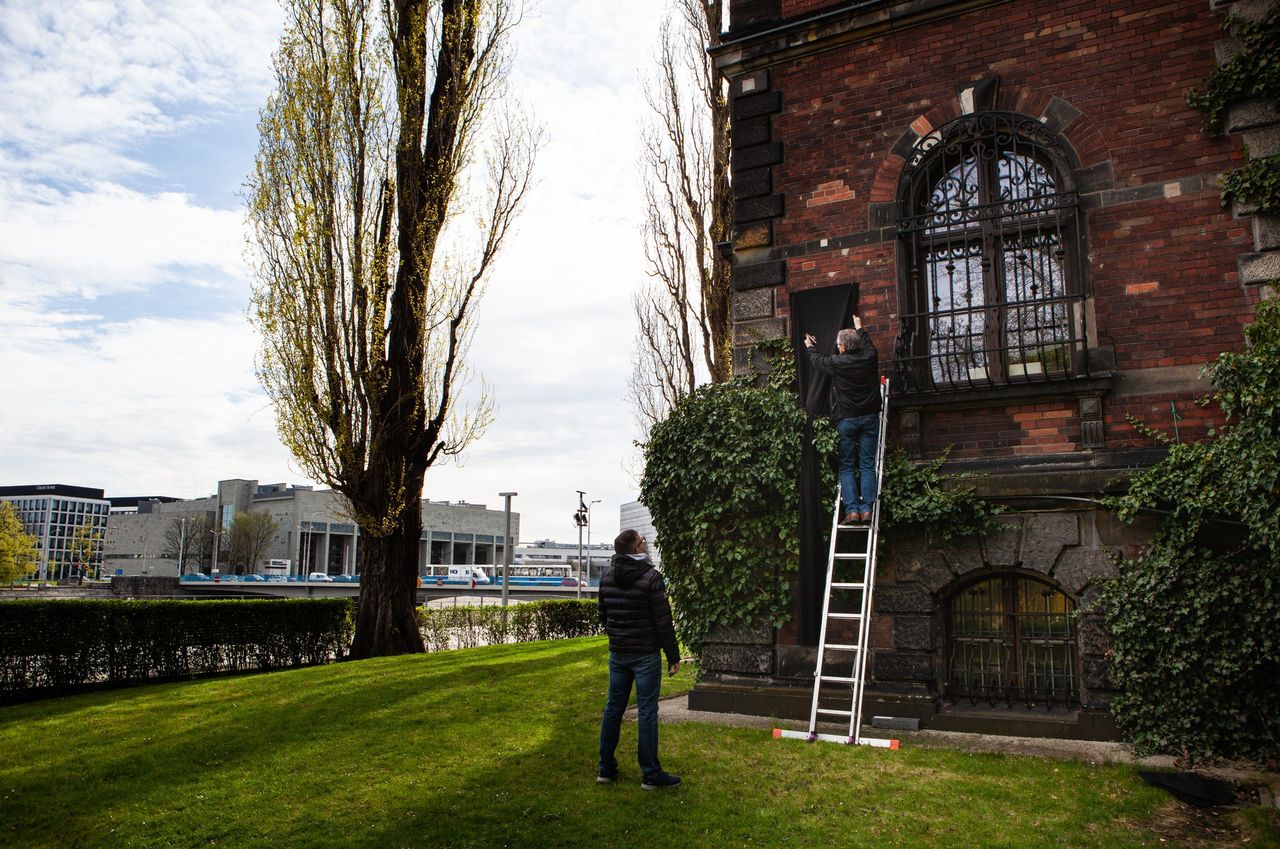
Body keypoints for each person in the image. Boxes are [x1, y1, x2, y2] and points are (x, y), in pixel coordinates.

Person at [597, 528, 682, 790]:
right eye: (643, 542)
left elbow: (603, 614)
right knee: (646, 711)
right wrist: (673, 655)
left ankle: (606, 769)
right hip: (645, 654)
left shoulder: (607, 575)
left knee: (613, 708)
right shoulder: (651, 577)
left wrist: (617, 635)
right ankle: (650, 774)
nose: (646, 544)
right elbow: (663, 621)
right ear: (636, 549)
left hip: (618, 652)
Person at [804, 313, 881, 524]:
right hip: (869, 417)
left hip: (846, 419)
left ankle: (852, 512)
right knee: (867, 465)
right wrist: (860, 327)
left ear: (843, 348)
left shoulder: (838, 362)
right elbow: (867, 344)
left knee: (847, 466)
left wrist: (809, 346)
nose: (837, 348)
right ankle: (867, 511)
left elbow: (817, 362)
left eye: (839, 345)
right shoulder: (869, 357)